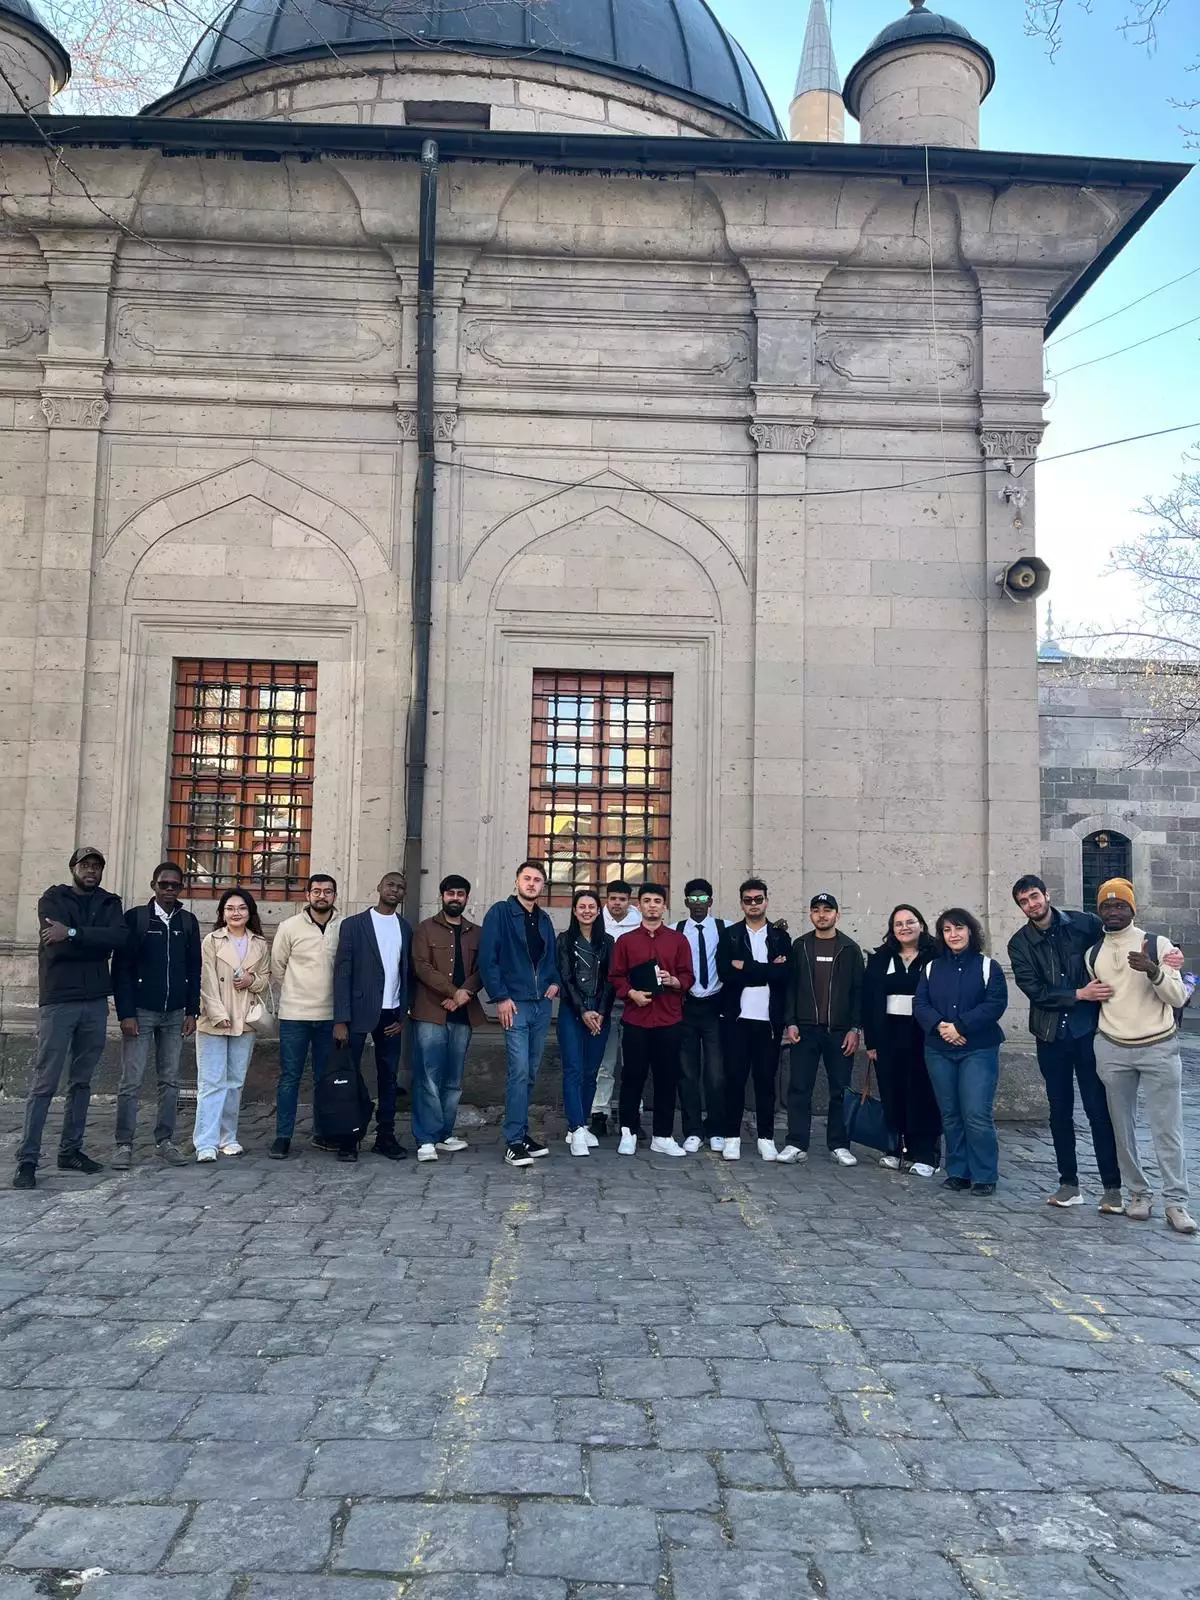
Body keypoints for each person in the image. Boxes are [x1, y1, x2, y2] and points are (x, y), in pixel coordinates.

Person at [12, 847, 128, 1190]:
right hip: (59, 1000)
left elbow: (117, 939)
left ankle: (70, 1150)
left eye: (96, 866)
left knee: (82, 1081)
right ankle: (28, 1159)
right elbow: (56, 948)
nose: (91, 871)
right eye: (85, 865)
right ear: (73, 868)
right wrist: (92, 940)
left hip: (94, 1001)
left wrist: (74, 933)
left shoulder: (109, 902)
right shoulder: (53, 899)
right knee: (45, 1082)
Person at [1008, 874, 1124, 1212]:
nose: (1031, 904)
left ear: (1046, 894)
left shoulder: (1084, 924)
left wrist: (1166, 952)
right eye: (1024, 902)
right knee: (1059, 1112)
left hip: (1088, 1031)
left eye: (1034, 896)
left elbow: (1119, 942)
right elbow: (1035, 990)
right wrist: (1079, 994)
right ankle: (1069, 1184)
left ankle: (1112, 1187)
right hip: (1050, 1036)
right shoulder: (1019, 944)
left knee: (1098, 1110)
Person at [1087, 878, 1196, 1234]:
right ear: (1099, 911)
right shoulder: (1093, 954)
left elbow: (1178, 997)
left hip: (1158, 1046)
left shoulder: (1158, 943)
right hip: (1112, 1047)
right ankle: (1138, 1193)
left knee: (1168, 1128)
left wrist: (1153, 970)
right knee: (1122, 1128)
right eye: (1107, 906)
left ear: (1132, 909)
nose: (1113, 911)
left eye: (1120, 905)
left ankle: (1176, 1202)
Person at [111, 861, 201, 1170]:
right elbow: (121, 968)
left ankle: (165, 1141)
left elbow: (194, 969)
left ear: (181, 888)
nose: (169, 890)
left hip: (175, 1013)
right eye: (164, 884)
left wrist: (192, 1010)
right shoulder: (136, 918)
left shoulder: (187, 922)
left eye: (175, 885)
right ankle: (124, 1144)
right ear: (154, 886)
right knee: (131, 1081)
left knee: (171, 1080)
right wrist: (125, 1012)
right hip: (140, 1011)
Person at [915, 908, 1008, 1197]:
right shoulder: (932, 968)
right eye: (947, 930)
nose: (953, 934)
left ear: (970, 931)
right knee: (951, 1113)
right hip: (939, 1049)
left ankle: (984, 1175)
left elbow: (995, 1004)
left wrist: (960, 1027)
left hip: (977, 1049)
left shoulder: (988, 967)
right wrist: (941, 1027)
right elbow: (920, 1004)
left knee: (976, 1112)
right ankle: (958, 1172)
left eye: (959, 928)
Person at [479, 860, 560, 1167]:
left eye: (537, 880)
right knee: (519, 1071)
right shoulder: (500, 913)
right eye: (527, 878)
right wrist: (500, 997)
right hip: (515, 1005)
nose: (531, 883)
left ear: (543, 886)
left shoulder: (544, 919)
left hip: (541, 1005)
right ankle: (513, 1141)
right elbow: (488, 959)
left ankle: (522, 1133)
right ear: (516, 882)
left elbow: (551, 957)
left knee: (531, 1072)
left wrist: (554, 981)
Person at [333, 870, 414, 1162]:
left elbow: (408, 974)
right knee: (349, 1076)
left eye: (400, 887)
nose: (395, 890)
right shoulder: (354, 925)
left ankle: (385, 1136)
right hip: (357, 1013)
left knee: (388, 1077)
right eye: (390, 884)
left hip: (391, 1014)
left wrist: (404, 1014)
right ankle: (348, 1137)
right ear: (379, 887)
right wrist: (340, 1019)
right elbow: (342, 973)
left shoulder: (405, 928)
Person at [610, 882, 694, 1158]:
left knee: (666, 1079)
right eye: (647, 901)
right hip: (636, 1019)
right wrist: (631, 993)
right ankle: (628, 1132)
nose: (652, 906)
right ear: (639, 906)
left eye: (657, 901)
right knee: (632, 1077)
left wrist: (674, 981)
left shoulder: (678, 940)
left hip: (669, 1019)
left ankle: (663, 1135)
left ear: (664, 907)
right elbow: (615, 976)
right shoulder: (626, 941)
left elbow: (688, 976)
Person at [781, 893, 864, 1167]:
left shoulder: (849, 949)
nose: (822, 914)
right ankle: (796, 1143)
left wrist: (855, 1028)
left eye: (827, 910)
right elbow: (790, 987)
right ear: (810, 914)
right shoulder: (800, 946)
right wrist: (790, 1021)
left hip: (839, 1031)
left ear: (837, 915)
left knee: (840, 1089)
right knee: (799, 1087)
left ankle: (839, 1145)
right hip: (805, 1029)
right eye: (816, 910)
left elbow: (858, 992)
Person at [410, 874, 487, 1162]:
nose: (455, 898)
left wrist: (464, 994)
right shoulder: (425, 929)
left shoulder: (477, 933)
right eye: (451, 893)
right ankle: (426, 1139)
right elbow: (421, 967)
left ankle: (444, 1134)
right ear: (442, 896)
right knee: (429, 1077)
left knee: (453, 1079)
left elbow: (484, 969)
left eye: (460, 894)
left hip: (463, 1014)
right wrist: (454, 992)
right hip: (431, 1012)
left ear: (467, 898)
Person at [192, 887, 271, 1163]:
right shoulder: (212, 941)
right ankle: (206, 1142)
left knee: (235, 1082)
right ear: (222, 913)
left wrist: (252, 980)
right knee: (211, 1082)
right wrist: (217, 1013)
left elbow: (265, 978)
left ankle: (228, 1137)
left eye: (241, 908)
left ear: (250, 912)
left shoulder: (259, 943)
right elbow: (206, 980)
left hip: (245, 1019)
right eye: (230, 908)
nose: (236, 913)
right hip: (215, 1019)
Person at [862, 906, 941, 1178]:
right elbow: (869, 1001)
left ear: (921, 925)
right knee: (891, 1091)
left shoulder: (936, 957)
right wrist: (871, 1042)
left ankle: (925, 1153)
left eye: (910, 922)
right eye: (898, 924)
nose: (904, 928)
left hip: (923, 1034)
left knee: (922, 1093)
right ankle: (895, 1149)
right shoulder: (880, 958)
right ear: (892, 929)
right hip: (888, 1035)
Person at [718, 878, 791, 1162]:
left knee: (766, 1082)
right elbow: (726, 973)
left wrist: (746, 967)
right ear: (741, 904)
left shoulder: (780, 937)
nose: (753, 904)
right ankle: (731, 1138)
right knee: (734, 1080)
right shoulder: (731, 935)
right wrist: (766, 970)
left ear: (766, 901)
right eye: (748, 900)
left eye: (758, 899)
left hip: (769, 1021)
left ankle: (766, 1138)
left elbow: (784, 976)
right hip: (737, 1019)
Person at [269, 873, 341, 1160]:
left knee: (325, 1078)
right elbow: (278, 967)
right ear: (307, 895)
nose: (322, 896)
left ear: (334, 895)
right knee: (290, 1077)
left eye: (327, 891)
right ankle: (283, 1136)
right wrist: (297, 992)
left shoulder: (344, 927)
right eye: (317, 891)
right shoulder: (289, 927)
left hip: (330, 1016)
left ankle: (322, 1133)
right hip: (294, 1015)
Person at [556, 889, 616, 1157]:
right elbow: (566, 978)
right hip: (573, 1011)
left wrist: (601, 1012)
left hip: (600, 1012)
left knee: (591, 1072)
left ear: (598, 911)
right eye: (582, 907)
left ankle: (580, 1125)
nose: (587, 911)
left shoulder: (608, 942)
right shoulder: (564, 940)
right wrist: (583, 1011)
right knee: (573, 1070)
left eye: (592, 907)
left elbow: (611, 980)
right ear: (574, 911)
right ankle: (576, 1127)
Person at [676, 878, 726, 1154]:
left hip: (714, 1006)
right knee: (687, 1072)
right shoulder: (677, 930)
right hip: (685, 1005)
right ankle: (693, 1130)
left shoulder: (724, 928)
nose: (698, 904)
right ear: (686, 902)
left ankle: (716, 1128)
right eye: (693, 899)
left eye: (702, 899)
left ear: (710, 901)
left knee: (716, 1073)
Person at [590, 880, 642, 1136]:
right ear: (606, 900)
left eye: (622, 899)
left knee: (634, 1062)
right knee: (605, 1061)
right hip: (605, 1003)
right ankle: (599, 1112)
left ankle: (632, 1114)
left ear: (629, 901)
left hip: (635, 1001)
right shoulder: (596, 922)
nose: (617, 903)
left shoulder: (641, 922)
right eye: (613, 899)